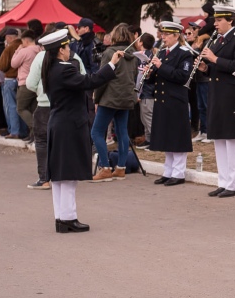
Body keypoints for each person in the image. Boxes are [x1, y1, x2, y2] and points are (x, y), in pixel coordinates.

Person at [41, 29, 122, 233]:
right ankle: (68, 219)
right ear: (60, 50)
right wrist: (112, 64)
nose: (70, 50)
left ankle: (61, 218)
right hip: (68, 126)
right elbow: (89, 82)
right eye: (67, 47)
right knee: (68, 175)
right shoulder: (64, 70)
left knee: (60, 176)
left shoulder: (52, 68)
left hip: (59, 124)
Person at [198, 5, 235, 197]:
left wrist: (214, 59)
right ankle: (224, 181)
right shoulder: (217, 40)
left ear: (230, 20)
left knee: (233, 140)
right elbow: (216, 67)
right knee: (219, 140)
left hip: (232, 95)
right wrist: (206, 67)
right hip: (217, 94)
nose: (215, 24)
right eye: (215, 20)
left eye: (219, 20)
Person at [25, 25, 88, 190]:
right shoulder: (75, 57)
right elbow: (84, 79)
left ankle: (44, 178)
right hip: (70, 108)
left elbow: (30, 83)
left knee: (42, 142)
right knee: (65, 145)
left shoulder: (41, 57)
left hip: (45, 106)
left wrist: (42, 90)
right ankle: (66, 173)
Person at [147, 21, 195, 186]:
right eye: (162, 34)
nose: (163, 37)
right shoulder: (161, 52)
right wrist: (149, 73)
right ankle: (168, 171)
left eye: (167, 34)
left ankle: (179, 173)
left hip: (175, 100)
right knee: (166, 137)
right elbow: (158, 76)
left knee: (177, 137)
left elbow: (182, 76)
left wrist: (160, 67)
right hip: (163, 99)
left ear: (176, 36)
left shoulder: (184, 53)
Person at [90, 24, 138, 182]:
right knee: (122, 132)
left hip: (110, 98)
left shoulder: (110, 53)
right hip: (126, 97)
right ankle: (121, 168)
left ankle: (105, 168)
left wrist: (97, 98)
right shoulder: (134, 55)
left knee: (96, 132)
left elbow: (103, 77)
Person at [12, 29, 42, 143]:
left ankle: (36, 128)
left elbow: (13, 63)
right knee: (34, 109)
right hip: (37, 83)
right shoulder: (40, 50)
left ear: (25, 40)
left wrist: (17, 51)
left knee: (21, 108)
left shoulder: (25, 51)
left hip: (25, 83)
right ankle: (33, 135)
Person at [0, 28, 25, 139]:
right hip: (21, 80)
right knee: (22, 107)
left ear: (9, 37)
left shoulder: (9, 48)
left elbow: (2, 66)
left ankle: (14, 131)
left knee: (11, 106)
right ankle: (23, 131)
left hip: (10, 79)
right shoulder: (24, 46)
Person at [135, 33, 157, 150]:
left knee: (148, 117)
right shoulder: (147, 55)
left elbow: (141, 76)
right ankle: (148, 139)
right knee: (144, 117)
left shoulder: (146, 57)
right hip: (145, 92)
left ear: (142, 43)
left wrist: (138, 92)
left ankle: (154, 140)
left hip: (147, 92)